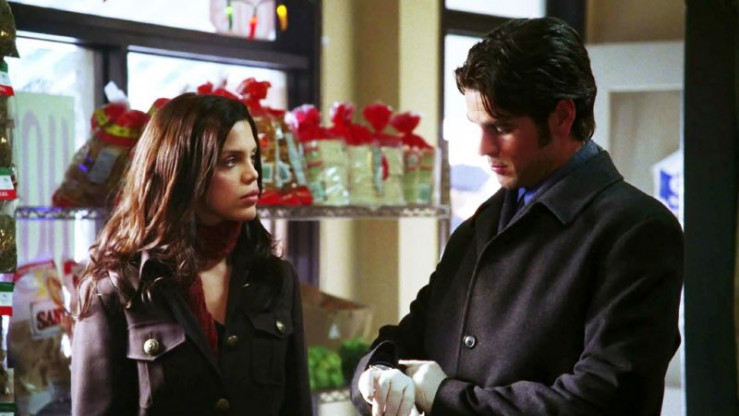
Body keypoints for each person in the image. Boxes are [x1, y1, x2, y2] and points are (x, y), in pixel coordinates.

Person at [352, 17, 683, 416]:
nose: (482, 147)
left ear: (562, 116)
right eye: (477, 126)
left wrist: (445, 398)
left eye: (501, 127)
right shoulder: (479, 225)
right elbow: (410, 336)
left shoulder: (638, 230)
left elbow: (605, 401)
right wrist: (377, 372)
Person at [71, 93, 312, 416]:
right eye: (230, 161)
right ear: (184, 171)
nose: (252, 173)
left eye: (252, 157)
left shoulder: (274, 278)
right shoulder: (116, 287)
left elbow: (297, 406)